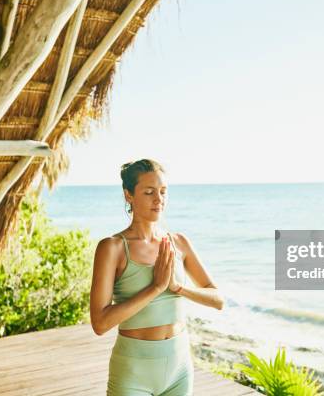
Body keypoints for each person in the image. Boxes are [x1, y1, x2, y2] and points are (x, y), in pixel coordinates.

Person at [89, 159, 224, 396]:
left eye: (163, 192)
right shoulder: (113, 248)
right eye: (149, 192)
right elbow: (100, 323)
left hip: (179, 368)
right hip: (133, 371)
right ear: (128, 195)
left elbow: (217, 299)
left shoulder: (179, 242)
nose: (158, 199)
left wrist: (178, 287)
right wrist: (156, 287)